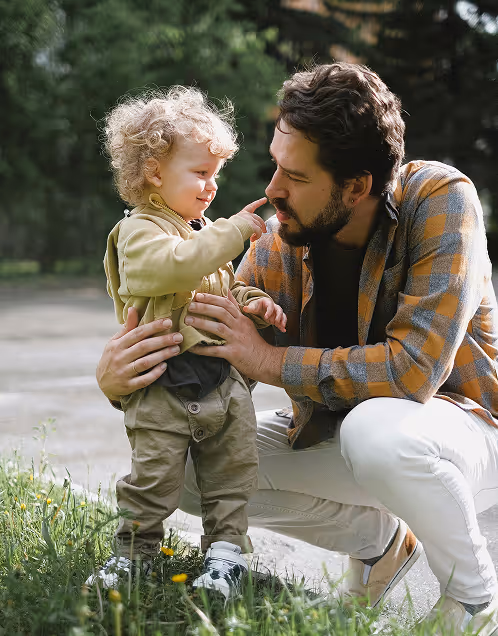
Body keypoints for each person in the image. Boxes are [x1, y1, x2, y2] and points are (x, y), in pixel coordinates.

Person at [96, 64, 498, 633]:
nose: (272, 190)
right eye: (275, 165)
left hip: (463, 436)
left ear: (356, 186)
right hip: (340, 436)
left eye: (295, 176)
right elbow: (214, 356)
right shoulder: (283, 235)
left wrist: (266, 359)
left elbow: (414, 372)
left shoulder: (439, 198)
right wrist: (119, 381)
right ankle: (383, 543)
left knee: (376, 432)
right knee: (187, 468)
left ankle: (473, 598)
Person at [88, 86, 287, 600]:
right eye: (201, 172)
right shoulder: (140, 232)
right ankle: (134, 554)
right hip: (162, 388)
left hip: (221, 385)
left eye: (216, 174)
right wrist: (237, 229)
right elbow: (173, 268)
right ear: (155, 172)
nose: (212, 186)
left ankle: (225, 556)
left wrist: (251, 300)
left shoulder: (196, 233)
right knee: (152, 480)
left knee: (232, 476)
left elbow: (215, 279)